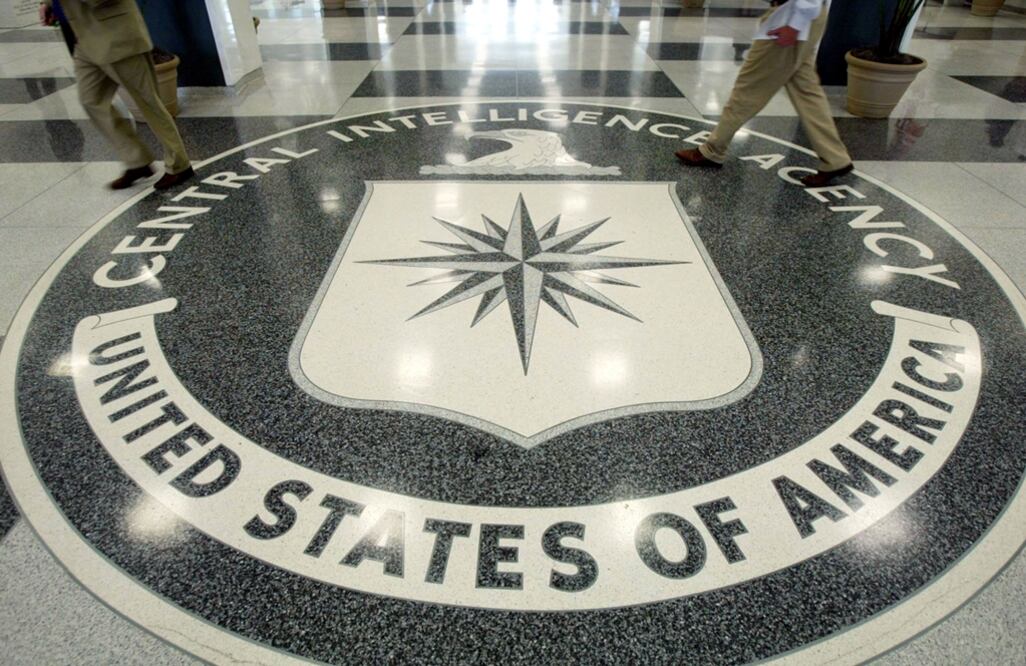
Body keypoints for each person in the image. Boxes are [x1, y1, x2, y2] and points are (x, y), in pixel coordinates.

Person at [676, 0, 853, 188]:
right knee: (806, 91)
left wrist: (794, 25)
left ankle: (713, 149)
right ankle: (835, 158)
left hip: (792, 16)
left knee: (749, 88)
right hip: (801, 17)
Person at [39, 0, 195, 190]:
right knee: (91, 100)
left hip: (117, 37)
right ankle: (137, 161)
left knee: (147, 102)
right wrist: (48, 4)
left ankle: (179, 164)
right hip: (84, 38)